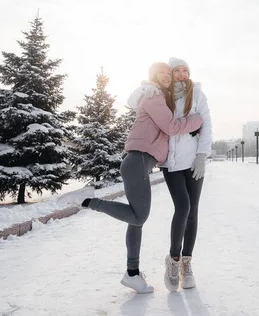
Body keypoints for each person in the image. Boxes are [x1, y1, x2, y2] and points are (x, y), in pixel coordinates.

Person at [58, 62, 203, 294]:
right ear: (153, 77)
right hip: (137, 162)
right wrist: (196, 120)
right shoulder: (154, 96)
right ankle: (86, 201)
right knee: (138, 217)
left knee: (136, 219)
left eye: (169, 73)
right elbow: (172, 126)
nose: (167, 76)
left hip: (141, 164)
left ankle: (132, 274)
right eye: (161, 73)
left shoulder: (157, 97)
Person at [161, 57, 212, 292]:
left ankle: (186, 263)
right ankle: (173, 260)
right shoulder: (162, 94)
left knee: (193, 211)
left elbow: (207, 125)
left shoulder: (197, 94)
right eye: (177, 70)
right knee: (182, 207)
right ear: (170, 74)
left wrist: (202, 154)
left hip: (193, 161)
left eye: (185, 70)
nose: (182, 74)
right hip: (171, 162)